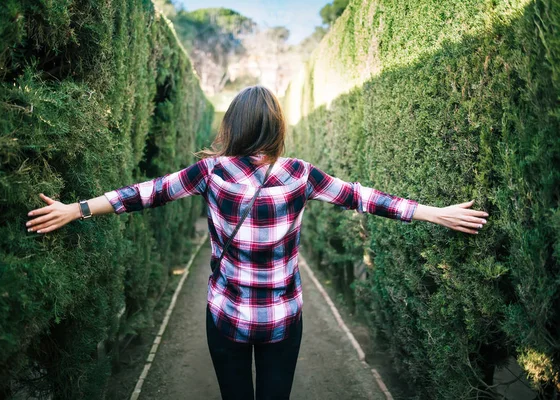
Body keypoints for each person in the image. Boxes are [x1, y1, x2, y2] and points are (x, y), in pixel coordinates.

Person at [25, 85, 489, 399]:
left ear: (235, 125)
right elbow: (366, 199)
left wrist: (77, 208)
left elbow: (142, 194)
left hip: (226, 314)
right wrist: (434, 212)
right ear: (276, 128)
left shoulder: (209, 172)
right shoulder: (300, 174)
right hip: (283, 318)